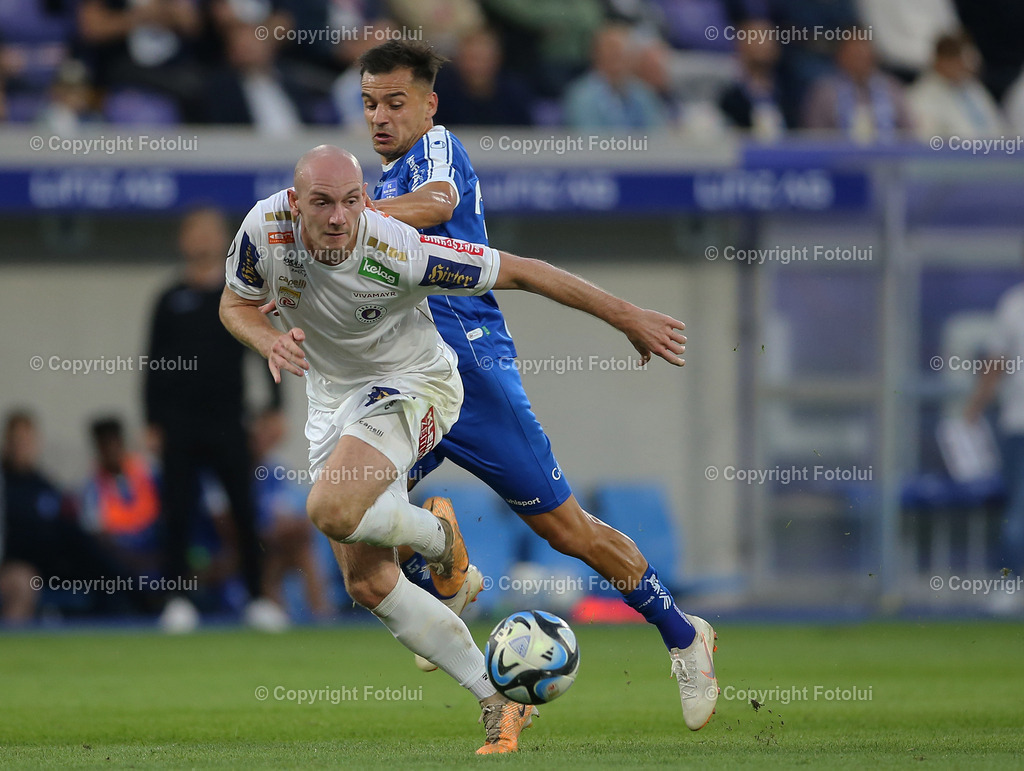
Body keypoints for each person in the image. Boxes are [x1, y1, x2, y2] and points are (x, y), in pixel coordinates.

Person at [219, 144, 702, 752]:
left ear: (364, 200)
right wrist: (265, 339)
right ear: (296, 204)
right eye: (322, 203)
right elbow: (234, 303)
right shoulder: (264, 229)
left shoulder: (398, 249)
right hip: (330, 399)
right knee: (367, 584)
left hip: (415, 384)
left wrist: (626, 314)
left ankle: (441, 543)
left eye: (350, 201)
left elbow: (522, 270)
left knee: (331, 509)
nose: (338, 217)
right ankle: (496, 701)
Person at [358, 40, 718, 731]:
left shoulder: (433, 154)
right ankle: (448, 562)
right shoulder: (377, 185)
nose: (381, 115)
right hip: (406, 376)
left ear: (428, 105)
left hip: (470, 370)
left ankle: (682, 634)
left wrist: (352, 222)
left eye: (395, 102)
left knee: (566, 529)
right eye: (370, 103)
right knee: (353, 510)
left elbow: (439, 205)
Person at [145, 206, 288, 633]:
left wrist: (274, 409)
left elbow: (268, 345)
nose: (203, 239)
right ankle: (177, 600)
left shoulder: (239, 295)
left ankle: (258, 598)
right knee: (178, 513)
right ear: (183, 240)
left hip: (229, 422)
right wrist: (151, 421)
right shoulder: (170, 299)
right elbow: (152, 366)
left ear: (225, 238)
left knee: (244, 512)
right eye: (195, 230)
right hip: (179, 424)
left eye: (211, 231)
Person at [964, 282, 1024, 612]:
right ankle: (1011, 582)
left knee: (1019, 513)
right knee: (1019, 511)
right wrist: (975, 406)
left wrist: (974, 406)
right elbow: (996, 362)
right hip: (1020, 425)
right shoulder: (1015, 302)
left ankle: (1011, 583)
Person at [80, 417, 161, 576]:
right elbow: (99, 538)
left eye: (115, 443)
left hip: (156, 548)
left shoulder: (147, 471)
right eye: (105, 445)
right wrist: (134, 560)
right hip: (124, 561)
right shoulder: (91, 488)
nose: (111, 450)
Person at [801, 29, 913, 142]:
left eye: (863, 50)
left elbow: (909, 133)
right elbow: (814, 138)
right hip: (838, 157)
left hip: (888, 157)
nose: (859, 56)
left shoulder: (892, 88)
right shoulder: (824, 92)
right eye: (853, 51)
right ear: (840, 55)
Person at [562, 22, 669, 130]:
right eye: (613, 52)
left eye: (625, 52)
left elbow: (657, 135)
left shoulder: (642, 93)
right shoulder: (581, 96)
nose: (619, 59)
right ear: (597, 54)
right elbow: (588, 140)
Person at [906, 32, 1005, 142]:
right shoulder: (920, 97)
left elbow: (999, 128)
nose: (966, 67)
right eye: (959, 61)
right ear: (941, 61)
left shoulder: (974, 89)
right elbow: (927, 143)